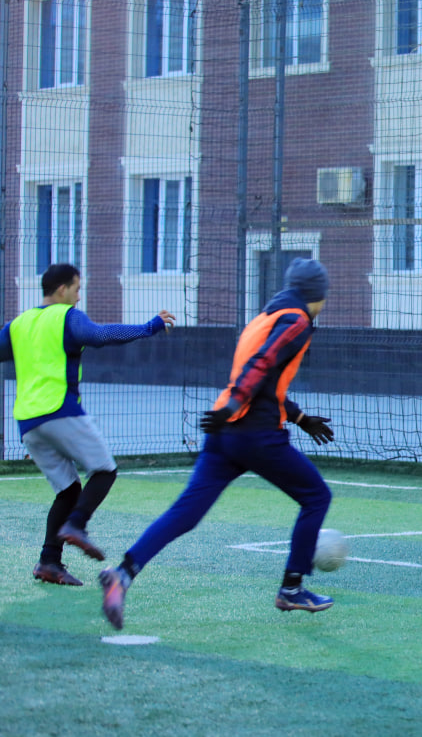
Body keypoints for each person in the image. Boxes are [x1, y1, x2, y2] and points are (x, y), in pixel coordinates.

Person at [99, 257, 337, 629]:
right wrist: (234, 404)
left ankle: (123, 574)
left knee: (185, 514)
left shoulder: (264, 317)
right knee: (317, 497)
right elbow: (262, 364)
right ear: (317, 294)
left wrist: (299, 418)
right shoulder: (298, 321)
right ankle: (293, 588)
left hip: (224, 434)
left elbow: (264, 380)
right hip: (255, 434)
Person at [0, 263, 174, 587]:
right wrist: (149, 326)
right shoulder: (66, 316)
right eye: (78, 289)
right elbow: (101, 335)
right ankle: (77, 525)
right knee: (105, 470)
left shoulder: (18, 324)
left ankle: (49, 562)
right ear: (63, 289)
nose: (79, 297)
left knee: (68, 490)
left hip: (27, 423)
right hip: (60, 412)